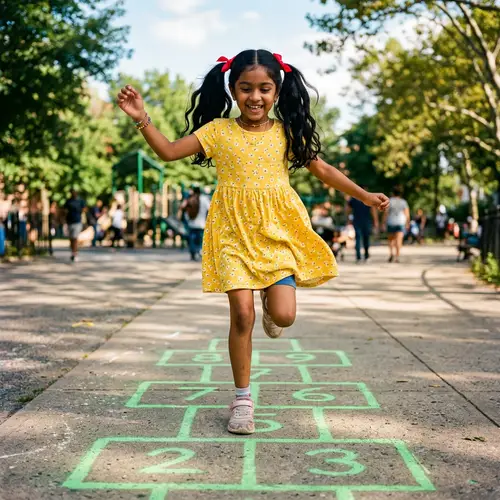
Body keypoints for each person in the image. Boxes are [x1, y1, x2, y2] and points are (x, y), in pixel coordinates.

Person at [116, 49, 389, 435]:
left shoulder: (286, 132)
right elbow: (170, 151)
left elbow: (323, 168)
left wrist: (363, 195)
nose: (255, 97)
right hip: (231, 231)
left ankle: (270, 301)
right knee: (241, 315)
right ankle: (242, 399)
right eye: (246, 88)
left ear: (277, 91)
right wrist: (142, 118)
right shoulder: (217, 131)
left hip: (276, 230)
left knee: (284, 316)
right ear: (232, 88)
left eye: (264, 88)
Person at [346, 190, 379, 263]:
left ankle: (358, 257)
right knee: (366, 238)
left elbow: (348, 209)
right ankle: (366, 255)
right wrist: (375, 221)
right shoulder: (367, 198)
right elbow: (373, 210)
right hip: (366, 221)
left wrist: (348, 219)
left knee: (358, 238)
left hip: (357, 221)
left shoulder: (353, 199)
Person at [179, 186, 210, 261]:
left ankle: (193, 252)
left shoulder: (190, 199)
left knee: (191, 239)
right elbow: (209, 209)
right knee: (200, 240)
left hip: (191, 223)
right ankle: (198, 251)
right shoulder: (204, 199)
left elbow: (182, 207)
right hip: (202, 224)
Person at [382, 187, 410, 263]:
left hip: (391, 222)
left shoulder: (389, 201)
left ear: (393, 193)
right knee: (399, 240)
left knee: (390, 240)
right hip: (400, 222)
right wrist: (407, 223)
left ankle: (391, 254)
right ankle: (397, 256)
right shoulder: (403, 202)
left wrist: (383, 223)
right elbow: (407, 213)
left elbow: (386, 213)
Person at [64, 189, 85, 262]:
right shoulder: (68, 201)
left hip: (77, 221)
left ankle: (75, 253)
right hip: (70, 222)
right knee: (71, 238)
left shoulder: (80, 201)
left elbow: (84, 209)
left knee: (75, 237)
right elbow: (65, 211)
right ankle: (73, 252)